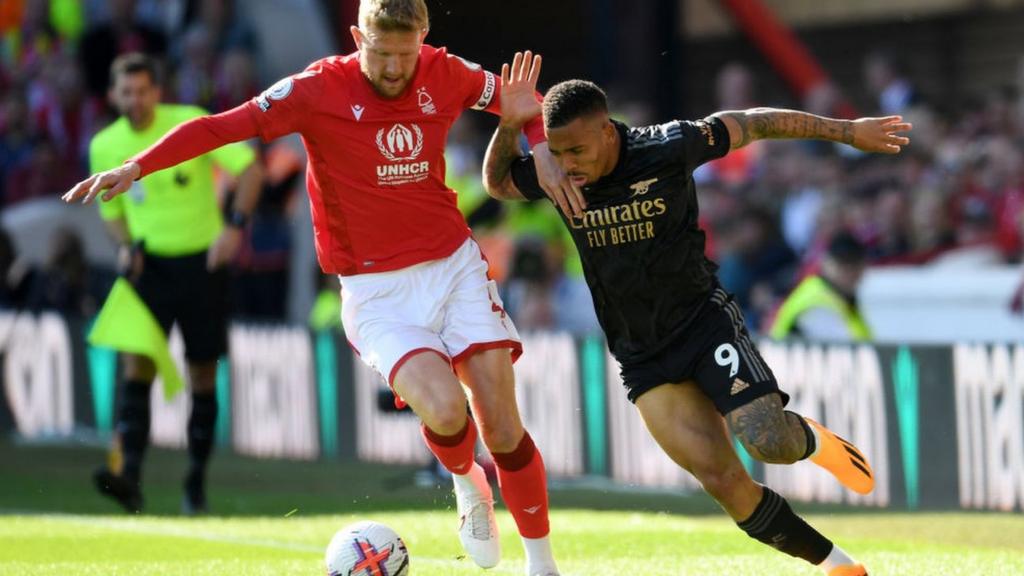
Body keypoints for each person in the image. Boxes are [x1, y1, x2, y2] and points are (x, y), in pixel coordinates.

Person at [64, 3, 575, 574]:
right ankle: (466, 481)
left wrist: (543, 144)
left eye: (405, 55)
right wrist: (138, 166)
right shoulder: (314, 89)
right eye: (379, 53)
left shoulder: (444, 70)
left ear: (424, 39)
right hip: (375, 291)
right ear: (358, 37)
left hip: (454, 270)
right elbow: (223, 125)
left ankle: (542, 564)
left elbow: (522, 101)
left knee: (502, 424)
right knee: (447, 409)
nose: (392, 68)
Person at [483, 63, 912, 575]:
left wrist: (847, 132)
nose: (567, 164)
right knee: (723, 481)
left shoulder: (667, 146)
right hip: (641, 355)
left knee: (769, 442)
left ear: (606, 129)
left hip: (703, 325)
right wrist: (511, 127)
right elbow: (498, 184)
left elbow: (754, 121)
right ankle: (839, 566)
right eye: (557, 151)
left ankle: (812, 440)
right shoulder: (555, 170)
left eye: (577, 150)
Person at [87, 52, 263, 515]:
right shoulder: (105, 145)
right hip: (151, 269)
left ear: (156, 92)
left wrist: (234, 226)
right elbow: (113, 215)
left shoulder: (188, 124)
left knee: (202, 373)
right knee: (136, 366)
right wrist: (125, 247)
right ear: (112, 96)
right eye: (126, 92)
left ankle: (195, 485)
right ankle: (130, 480)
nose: (136, 99)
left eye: (143, 90)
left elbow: (250, 169)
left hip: (202, 265)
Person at [770, 231, 872, 342]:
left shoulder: (842, 298)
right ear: (826, 262)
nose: (848, 271)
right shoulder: (816, 301)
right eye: (842, 263)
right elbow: (848, 348)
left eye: (854, 264)